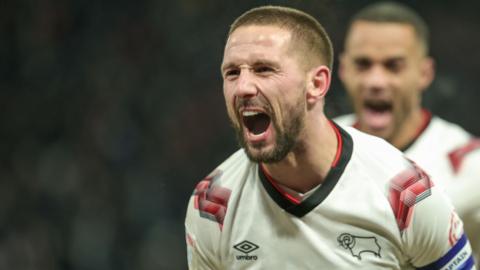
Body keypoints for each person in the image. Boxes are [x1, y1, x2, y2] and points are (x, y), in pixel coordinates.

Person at [185, 5, 475, 269]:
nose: (243, 87)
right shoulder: (213, 205)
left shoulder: (405, 191)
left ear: (317, 83)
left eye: (264, 69)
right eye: (232, 73)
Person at [335, 1, 480, 264]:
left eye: (394, 66)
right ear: (343, 70)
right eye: (363, 64)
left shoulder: (470, 167)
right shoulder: (312, 150)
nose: (375, 81)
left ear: (425, 73)